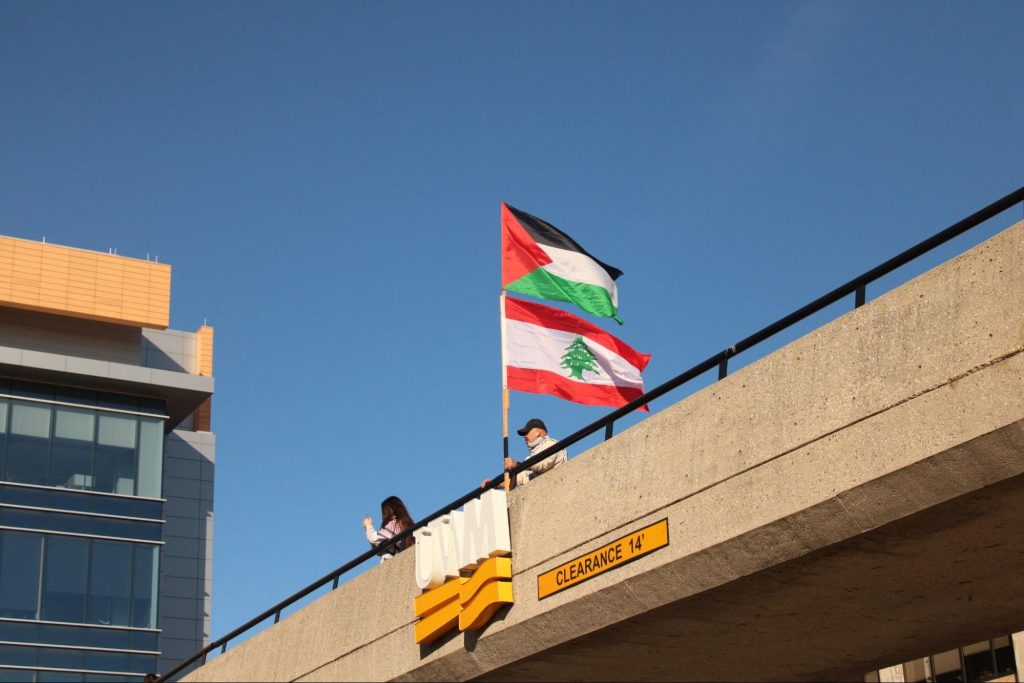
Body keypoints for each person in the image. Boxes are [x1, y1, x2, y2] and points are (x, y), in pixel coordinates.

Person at [482, 418, 568, 488]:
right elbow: (520, 478)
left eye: (527, 432)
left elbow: (540, 464)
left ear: (538, 431)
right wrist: (494, 483)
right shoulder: (532, 460)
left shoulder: (552, 444)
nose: (525, 437)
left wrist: (517, 465)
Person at [363, 495, 415, 561]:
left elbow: (374, 539)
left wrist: (368, 526)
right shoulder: (406, 524)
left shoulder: (394, 523)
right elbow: (378, 549)